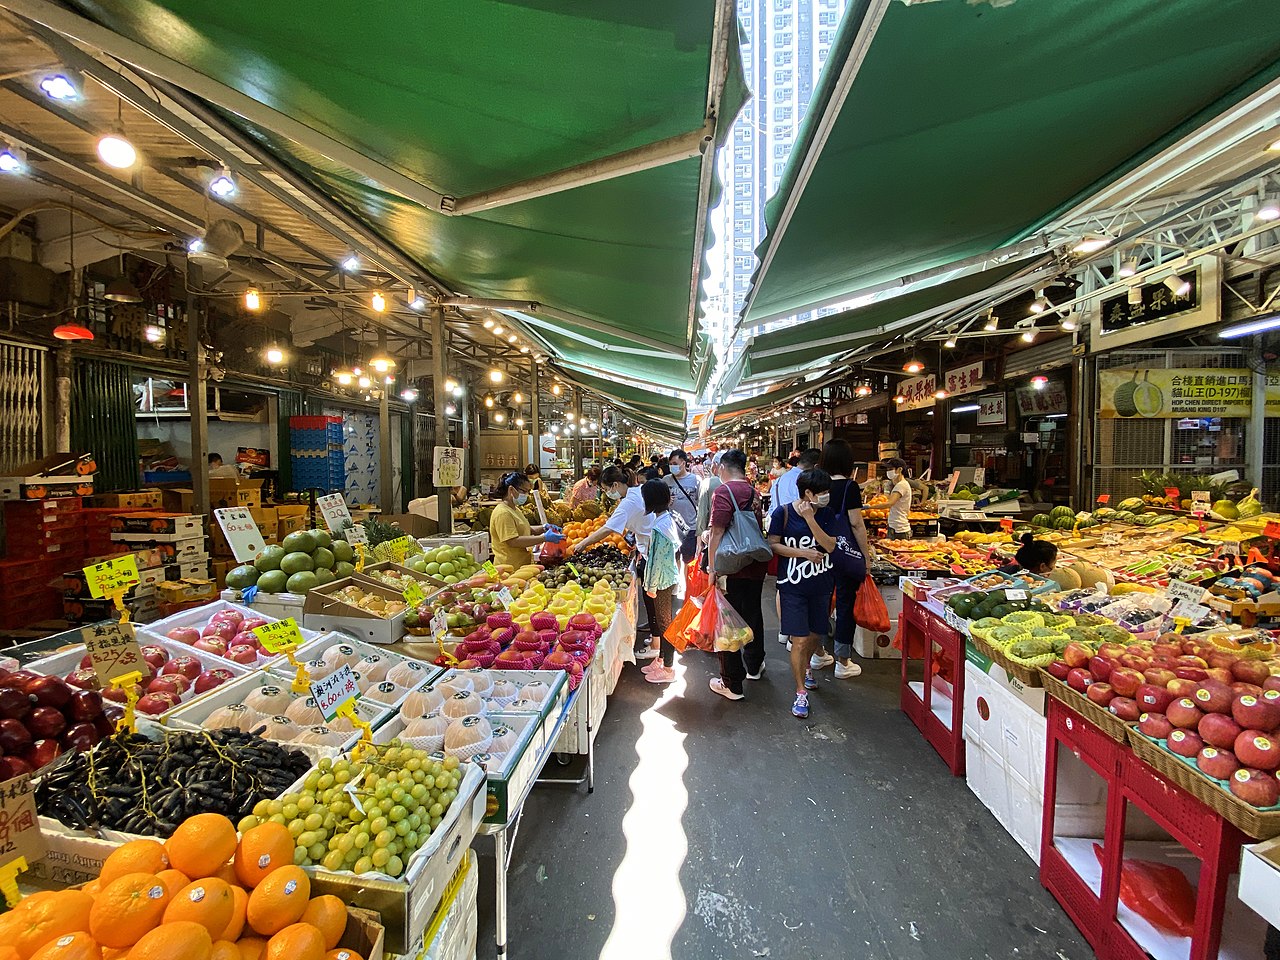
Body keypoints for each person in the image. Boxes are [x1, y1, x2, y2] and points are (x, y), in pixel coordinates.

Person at [769, 469, 838, 718]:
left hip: (821, 585)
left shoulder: (827, 514)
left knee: (815, 635)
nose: (826, 496)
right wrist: (803, 553)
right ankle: (800, 692)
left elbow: (830, 545)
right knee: (798, 639)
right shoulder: (783, 512)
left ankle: (807, 666)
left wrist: (810, 519)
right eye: (822, 492)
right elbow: (773, 544)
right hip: (792, 585)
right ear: (808, 493)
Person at [569, 466, 658, 657]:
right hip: (651, 546)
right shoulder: (637, 492)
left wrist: (582, 544)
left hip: (650, 550)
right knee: (652, 598)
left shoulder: (627, 502)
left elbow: (608, 529)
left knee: (652, 599)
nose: (606, 493)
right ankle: (655, 636)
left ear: (615, 485)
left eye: (606, 489)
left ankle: (657, 647)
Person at [706, 449, 768, 701]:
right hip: (754, 563)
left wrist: (712, 569)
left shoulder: (723, 491)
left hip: (730, 567)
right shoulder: (754, 492)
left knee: (727, 621)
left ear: (722, 467)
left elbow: (717, 533)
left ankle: (732, 682)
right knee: (753, 614)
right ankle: (754, 665)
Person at [818, 439, 876, 680]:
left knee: (820, 601)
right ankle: (843, 661)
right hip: (844, 554)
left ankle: (818, 653)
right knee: (844, 604)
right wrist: (865, 554)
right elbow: (856, 523)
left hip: (819, 552)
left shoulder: (817, 484)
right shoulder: (850, 487)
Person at [639, 480, 682, 685]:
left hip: (661, 582)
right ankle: (662, 659)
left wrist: (651, 587)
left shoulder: (659, 528)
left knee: (665, 624)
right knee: (663, 620)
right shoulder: (665, 520)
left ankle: (668, 668)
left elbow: (656, 561)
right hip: (665, 579)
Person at [489, 472, 563, 569]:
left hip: (522, 565)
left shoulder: (515, 509)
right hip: (509, 568)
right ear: (511, 489)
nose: (527, 495)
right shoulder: (503, 513)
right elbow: (513, 541)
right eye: (524, 491)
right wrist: (544, 538)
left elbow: (526, 529)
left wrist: (544, 528)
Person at [663, 449, 700, 561]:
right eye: (670, 464)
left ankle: (686, 578)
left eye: (675, 464)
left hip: (690, 527)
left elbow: (701, 504)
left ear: (683, 463)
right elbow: (660, 504)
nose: (672, 466)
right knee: (672, 560)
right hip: (671, 528)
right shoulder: (665, 480)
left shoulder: (695, 480)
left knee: (688, 561)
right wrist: (666, 503)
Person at [696, 450, 725, 540]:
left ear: (716, 465)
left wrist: (700, 537)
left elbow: (703, 512)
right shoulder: (743, 484)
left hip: (713, 535)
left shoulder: (708, 483)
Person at [884, 458, 914, 538]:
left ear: (900, 469)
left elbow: (890, 503)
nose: (888, 471)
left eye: (891, 469)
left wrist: (869, 506)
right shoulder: (898, 484)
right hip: (896, 527)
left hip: (899, 530)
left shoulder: (901, 485)